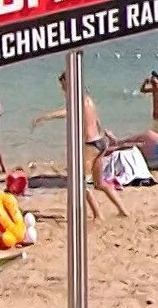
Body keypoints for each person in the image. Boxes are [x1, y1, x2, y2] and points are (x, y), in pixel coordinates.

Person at [32, 74, 127, 218]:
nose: (62, 88)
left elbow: (66, 112)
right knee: (99, 183)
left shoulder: (76, 99)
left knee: (80, 183)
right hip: (101, 142)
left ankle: (98, 215)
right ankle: (123, 211)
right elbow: (97, 121)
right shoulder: (88, 99)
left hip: (91, 145)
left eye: (63, 85)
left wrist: (44, 117)